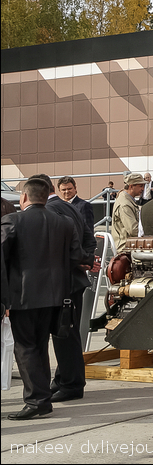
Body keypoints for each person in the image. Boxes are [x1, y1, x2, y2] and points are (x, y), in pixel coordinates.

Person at [1, 178, 84, 420]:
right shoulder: (64, 222)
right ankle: (42, 398)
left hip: (23, 296)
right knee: (40, 345)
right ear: (47, 197)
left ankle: (37, 400)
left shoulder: (13, 221)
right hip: (56, 296)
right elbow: (76, 256)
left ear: (24, 197)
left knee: (25, 348)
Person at [46, 176, 98, 402]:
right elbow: (89, 239)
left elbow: (64, 246)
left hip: (64, 281)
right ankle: (63, 379)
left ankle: (71, 383)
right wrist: (84, 259)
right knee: (67, 333)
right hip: (73, 279)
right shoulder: (71, 208)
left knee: (64, 334)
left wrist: (79, 260)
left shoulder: (53, 211)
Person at [111, 173, 145, 245]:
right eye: (140, 186)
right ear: (131, 186)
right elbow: (133, 230)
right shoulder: (125, 204)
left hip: (131, 244)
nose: (143, 189)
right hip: (125, 246)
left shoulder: (128, 200)